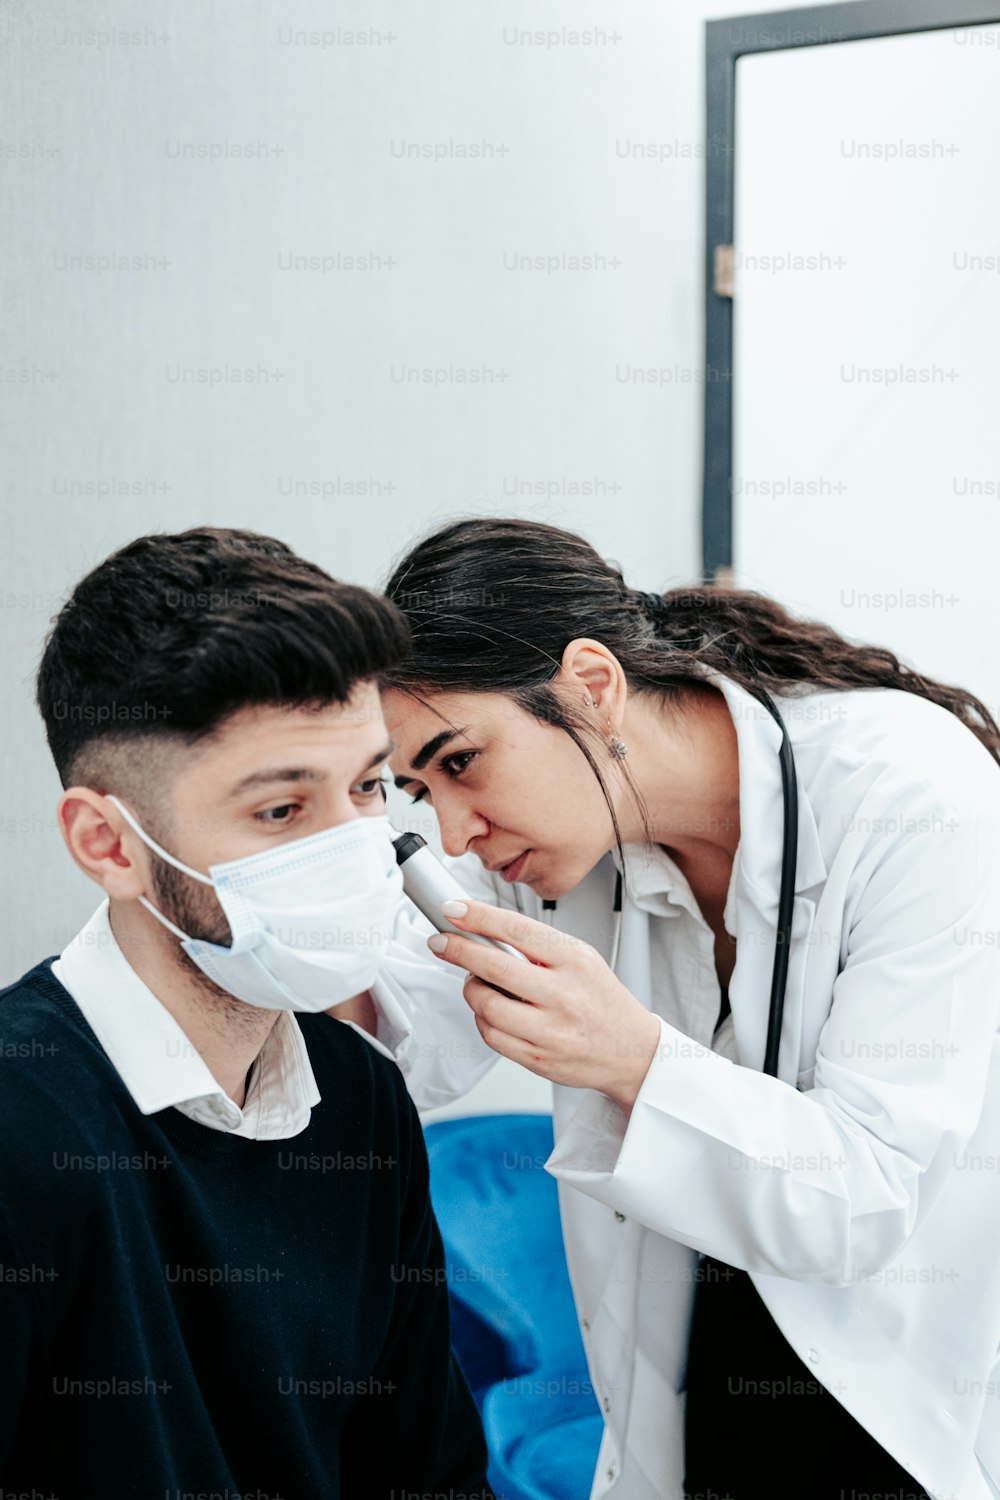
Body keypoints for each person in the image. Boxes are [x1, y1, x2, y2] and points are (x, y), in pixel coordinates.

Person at [348, 517, 1000, 1500]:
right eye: (414, 791)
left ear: (592, 685)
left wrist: (632, 1058)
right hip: (706, 1364)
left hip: (901, 1370)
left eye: (462, 763)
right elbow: (394, 1032)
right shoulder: (554, 847)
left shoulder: (911, 791)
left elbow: (866, 1200)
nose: (455, 831)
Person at [0, 526, 494, 1500]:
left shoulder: (359, 1098)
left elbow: (424, 1475)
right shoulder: (20, 1129)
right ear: (109, 844)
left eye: (366, 788)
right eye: (280, 811)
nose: (356, 846)